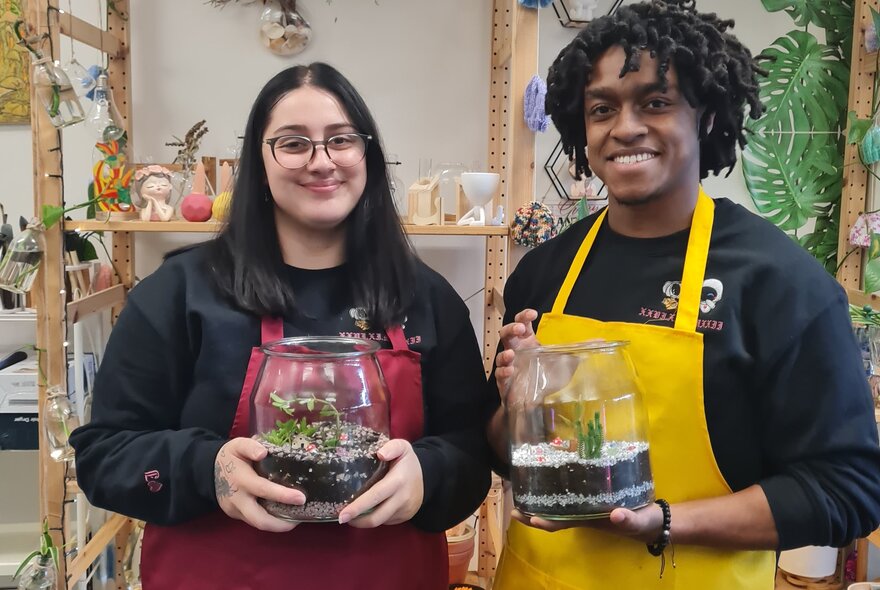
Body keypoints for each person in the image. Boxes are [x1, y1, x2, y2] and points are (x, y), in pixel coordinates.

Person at [485, 2, 880, 589]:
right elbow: (502, 454)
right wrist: (514, 414)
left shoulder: (781, 286)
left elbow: (847, 488)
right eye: (602, 108)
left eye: (655, 102)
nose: (624, 127)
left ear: (707, 117)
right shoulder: (545, 272)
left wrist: (665, 522)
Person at [70, 62, 491, 589]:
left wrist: (428, 476)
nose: (321, 162)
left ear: (368, 155)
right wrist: (208, 471)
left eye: (341, 140)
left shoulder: (425, 298)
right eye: (293, 144)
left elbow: (473, 453)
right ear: (259, 161)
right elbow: (105, 454)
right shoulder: (180, 292)